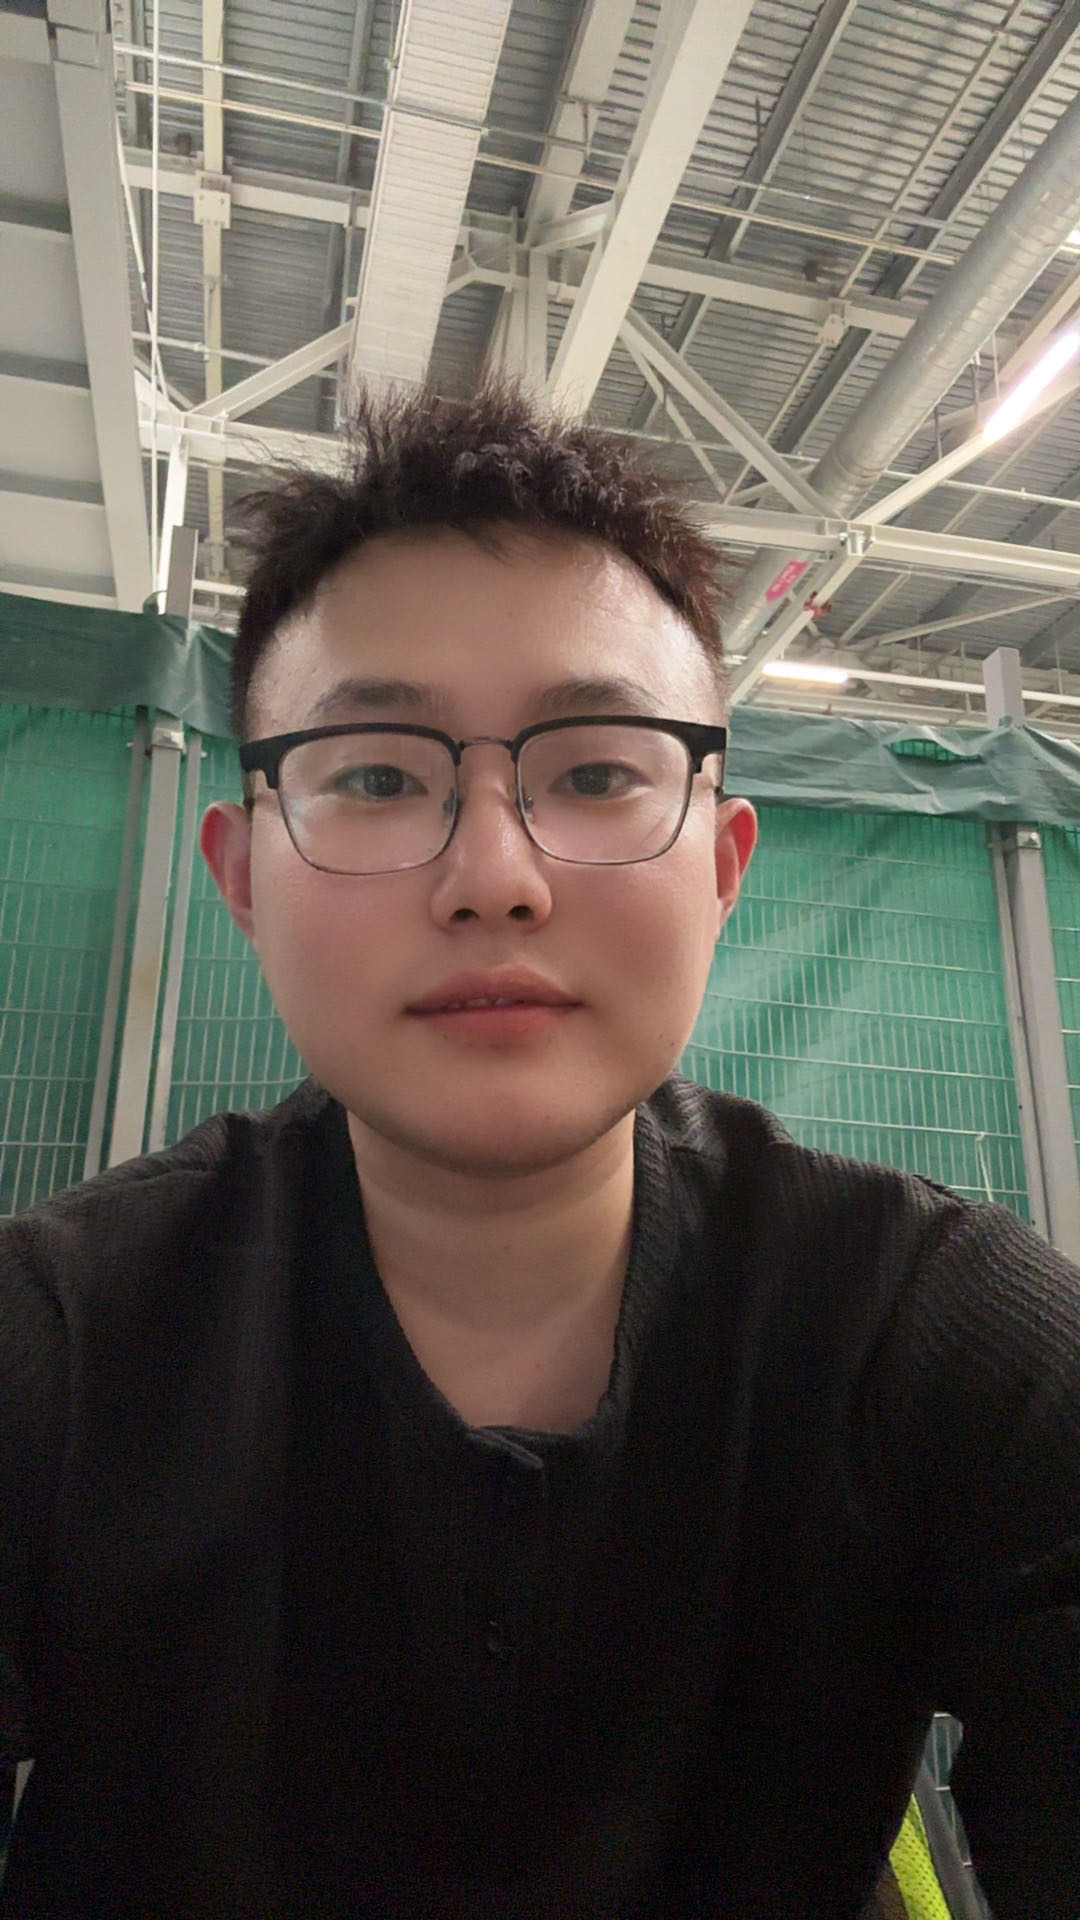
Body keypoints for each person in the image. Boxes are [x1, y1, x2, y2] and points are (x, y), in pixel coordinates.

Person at [0, 382, 1077, 1920]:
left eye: (596, 771)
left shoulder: (940, 1337)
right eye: (378, 776)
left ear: (723, 864)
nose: (494, 876)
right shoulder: (56, 1347)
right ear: (241, 877)